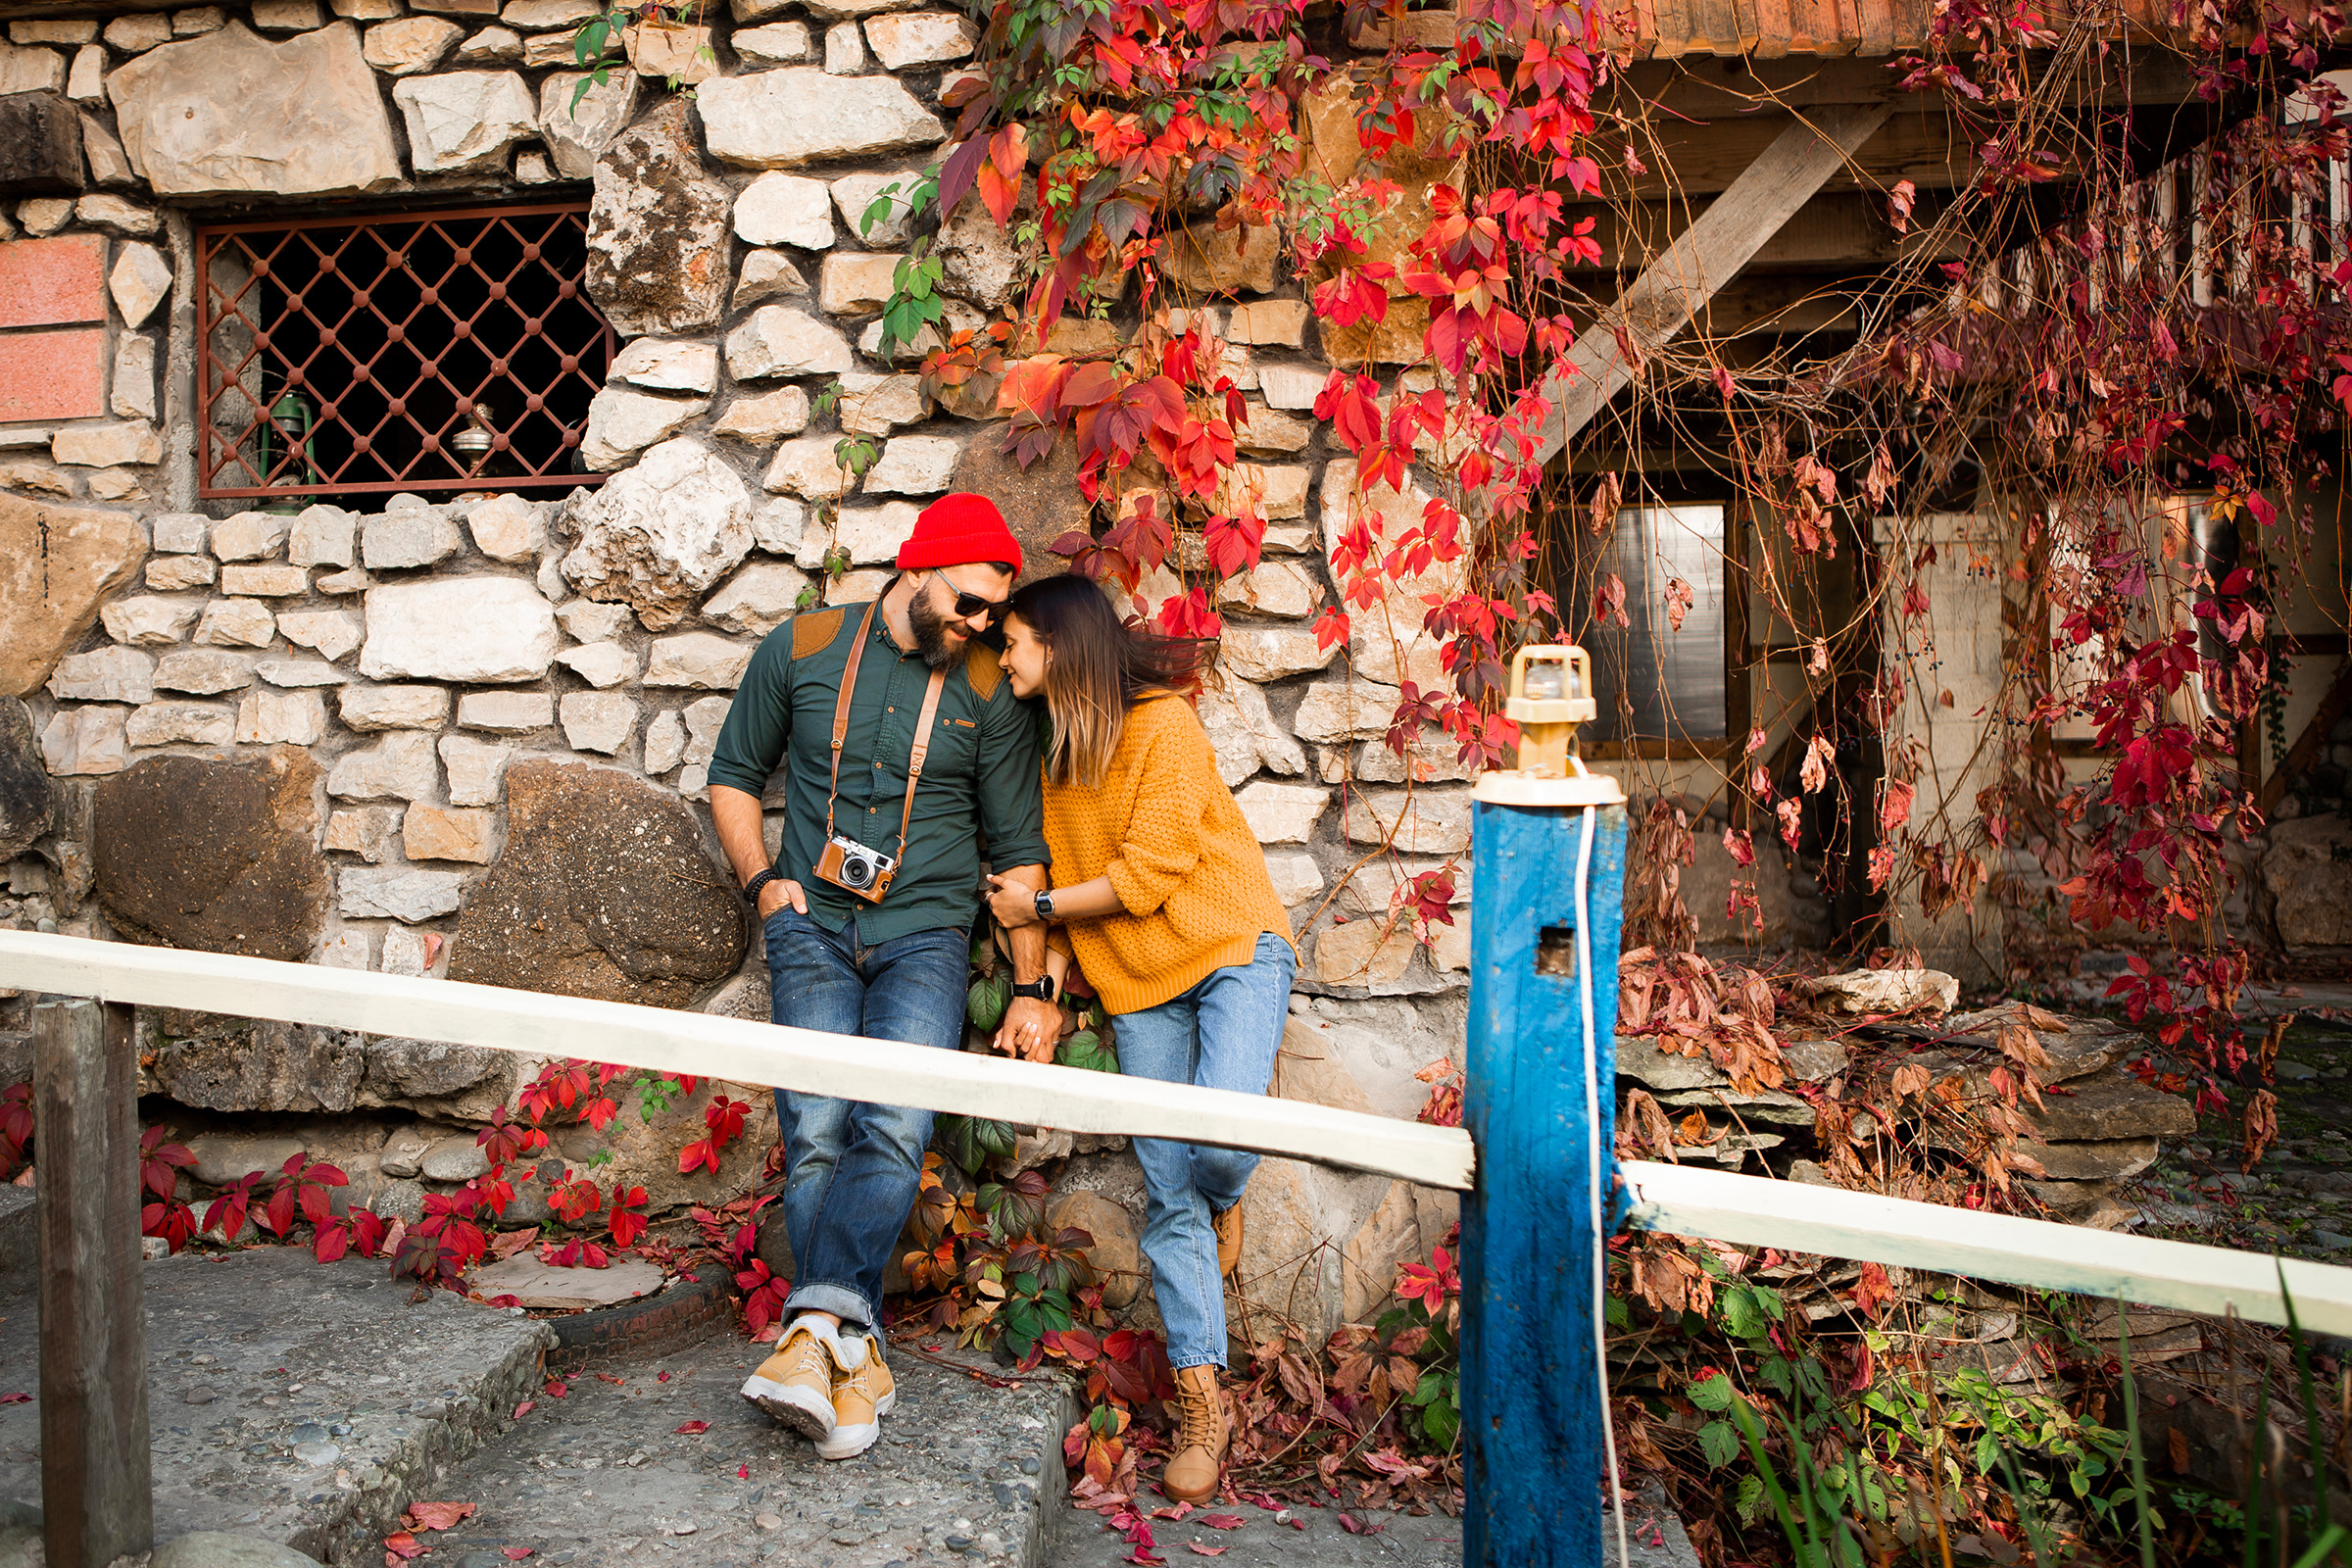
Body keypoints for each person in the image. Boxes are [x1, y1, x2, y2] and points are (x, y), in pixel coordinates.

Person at [709, 493, 1062, 1461]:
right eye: (972, 602)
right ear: (920, 566)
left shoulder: (988, 690)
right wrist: (762, 885)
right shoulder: (807, 645)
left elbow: (1019, 848)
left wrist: (1031, 986)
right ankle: (851, 1356)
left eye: (996, 612)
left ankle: (812, 1340)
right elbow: (734, 772)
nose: (984, 625)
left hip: (926, 933)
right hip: (811, 923)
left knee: (895, 1123)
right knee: (817, 1127)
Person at [981, 573, 1297, 1505]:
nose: (1004, 659)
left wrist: (1033, 904)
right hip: (1139, 990)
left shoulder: (1165, 726)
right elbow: (1046, 867)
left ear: (1061, 646)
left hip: (1232, 948)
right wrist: (1041, 979)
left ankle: (1221, 1187)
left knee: (1216, 1145)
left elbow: (1148, 877)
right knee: (1169, 1187)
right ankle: (1206, 1399)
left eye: (1015, 643)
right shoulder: (1051, 761)